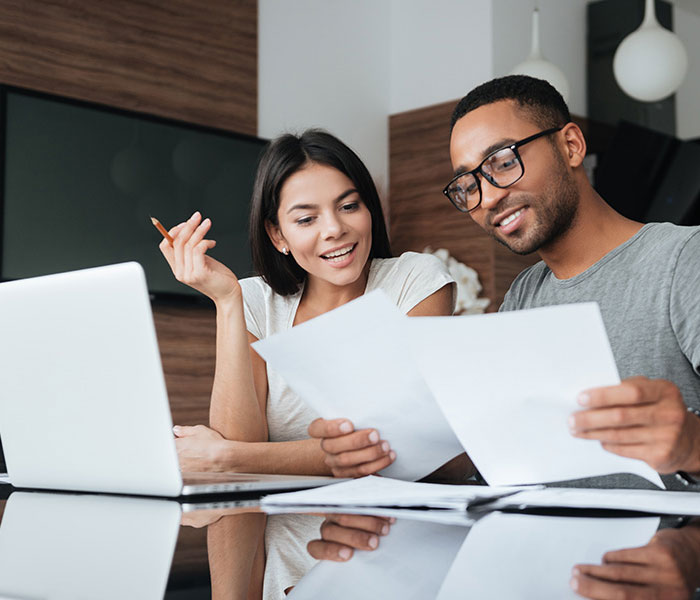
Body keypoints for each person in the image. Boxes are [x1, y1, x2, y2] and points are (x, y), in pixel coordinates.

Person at [310, 75, 700, 492]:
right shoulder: (524, 294)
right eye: (468, 185)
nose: (489, 198)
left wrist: (692, 446)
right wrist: (377, 449)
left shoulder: (684, 260)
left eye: (503, 161)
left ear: (571, 145)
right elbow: (504, 451)